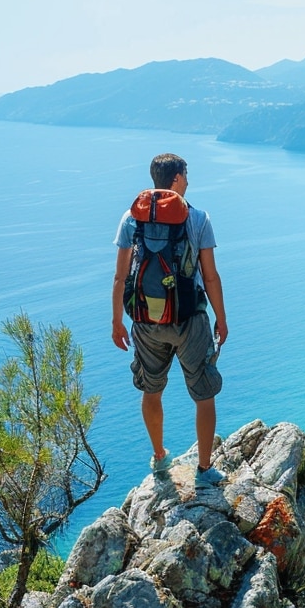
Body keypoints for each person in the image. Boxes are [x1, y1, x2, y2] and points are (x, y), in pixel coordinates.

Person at [112, 153, 229, 485]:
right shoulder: (198, 218)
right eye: (186, 174)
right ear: (176, 178)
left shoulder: (130, 219)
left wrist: (116, 321)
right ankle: (205, 469)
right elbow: (210, 277)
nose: (188, 179)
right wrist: (221, 319)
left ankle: (160, 457)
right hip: (189, 320)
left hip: (145, 323)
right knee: (203, 393)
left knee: (151, 391)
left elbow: (120, 278)